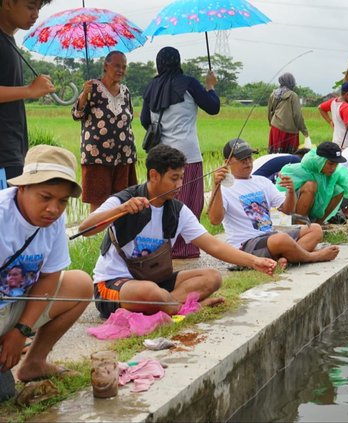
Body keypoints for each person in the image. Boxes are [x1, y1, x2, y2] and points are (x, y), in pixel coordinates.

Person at [79, 144, 277, 319]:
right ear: (154, 175)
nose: (179, 185)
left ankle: (168, 306)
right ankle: (182, 307)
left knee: (212, 277)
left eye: (181, 178)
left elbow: (213, 245)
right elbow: (85, 229)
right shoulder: (124, 200)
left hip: (156, 282)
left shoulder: (178, 210)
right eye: (174, 179)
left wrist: (254, 261)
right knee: (149, 292)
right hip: (115, 285)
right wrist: (120, 210)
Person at [0, 145, 92, 391]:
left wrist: (21, 331)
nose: (54, 208)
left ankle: (34, 362)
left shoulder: (53, 220)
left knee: (80, 284)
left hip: (13, 305)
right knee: (5, 395)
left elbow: (50, 277)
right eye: (45, 197)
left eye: (62, 201)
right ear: (22, 188)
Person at [141, 46, 220, 259]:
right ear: (178, 61)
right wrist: (210, 86)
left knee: (162, 202)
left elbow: (144, 121)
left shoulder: (152, 86)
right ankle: (184, 249)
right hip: (188, 154)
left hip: (161, 156)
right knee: (189, 202)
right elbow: (213, 107)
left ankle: (163, 248)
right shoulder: (189, 84)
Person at [208, 139, 339, 267]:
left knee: (315, 229)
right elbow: (215, 220)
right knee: (282, 239)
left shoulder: (261, 181)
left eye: (249, 158)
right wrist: (216, 187)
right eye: (242, 159)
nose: (248, 162)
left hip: (269, 236)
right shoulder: (224, 189)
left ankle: (285, 258)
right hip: (246, 245)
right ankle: (312, 257)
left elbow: (288, 211)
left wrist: (291, 192)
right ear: (227, 162)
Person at [72, 51, 137, 213]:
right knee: (98, 199)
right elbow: (77, 114)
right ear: (105, 66)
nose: (120, 70)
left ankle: (116, 235)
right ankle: (97, 234)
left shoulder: (125, 91)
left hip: (124, 155)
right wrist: (84, 94)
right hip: (97, 156)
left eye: (124, 66)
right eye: (117, 66)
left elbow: (130, 117)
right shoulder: (92, 88)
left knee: (123, 198)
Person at [0, 0, 56, 189]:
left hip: (12, 149)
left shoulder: (8, 39)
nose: (36, 15)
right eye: (30, 7)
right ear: (7, 3)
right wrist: (29, 90)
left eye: (39, 9)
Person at [318, 81, 348, 149]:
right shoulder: (347, 107)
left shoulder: (333, 102)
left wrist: (330, 121)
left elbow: (320, 108)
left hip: (336, 142)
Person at [267, 73, 309, 153]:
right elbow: (297, 115)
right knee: (290, 157)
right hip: (290, 130)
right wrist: (305, 131)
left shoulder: (273, 94)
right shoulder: (293, 95)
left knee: (276, 155)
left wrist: (271, 123)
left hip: (275, 127)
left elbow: (269, 111)